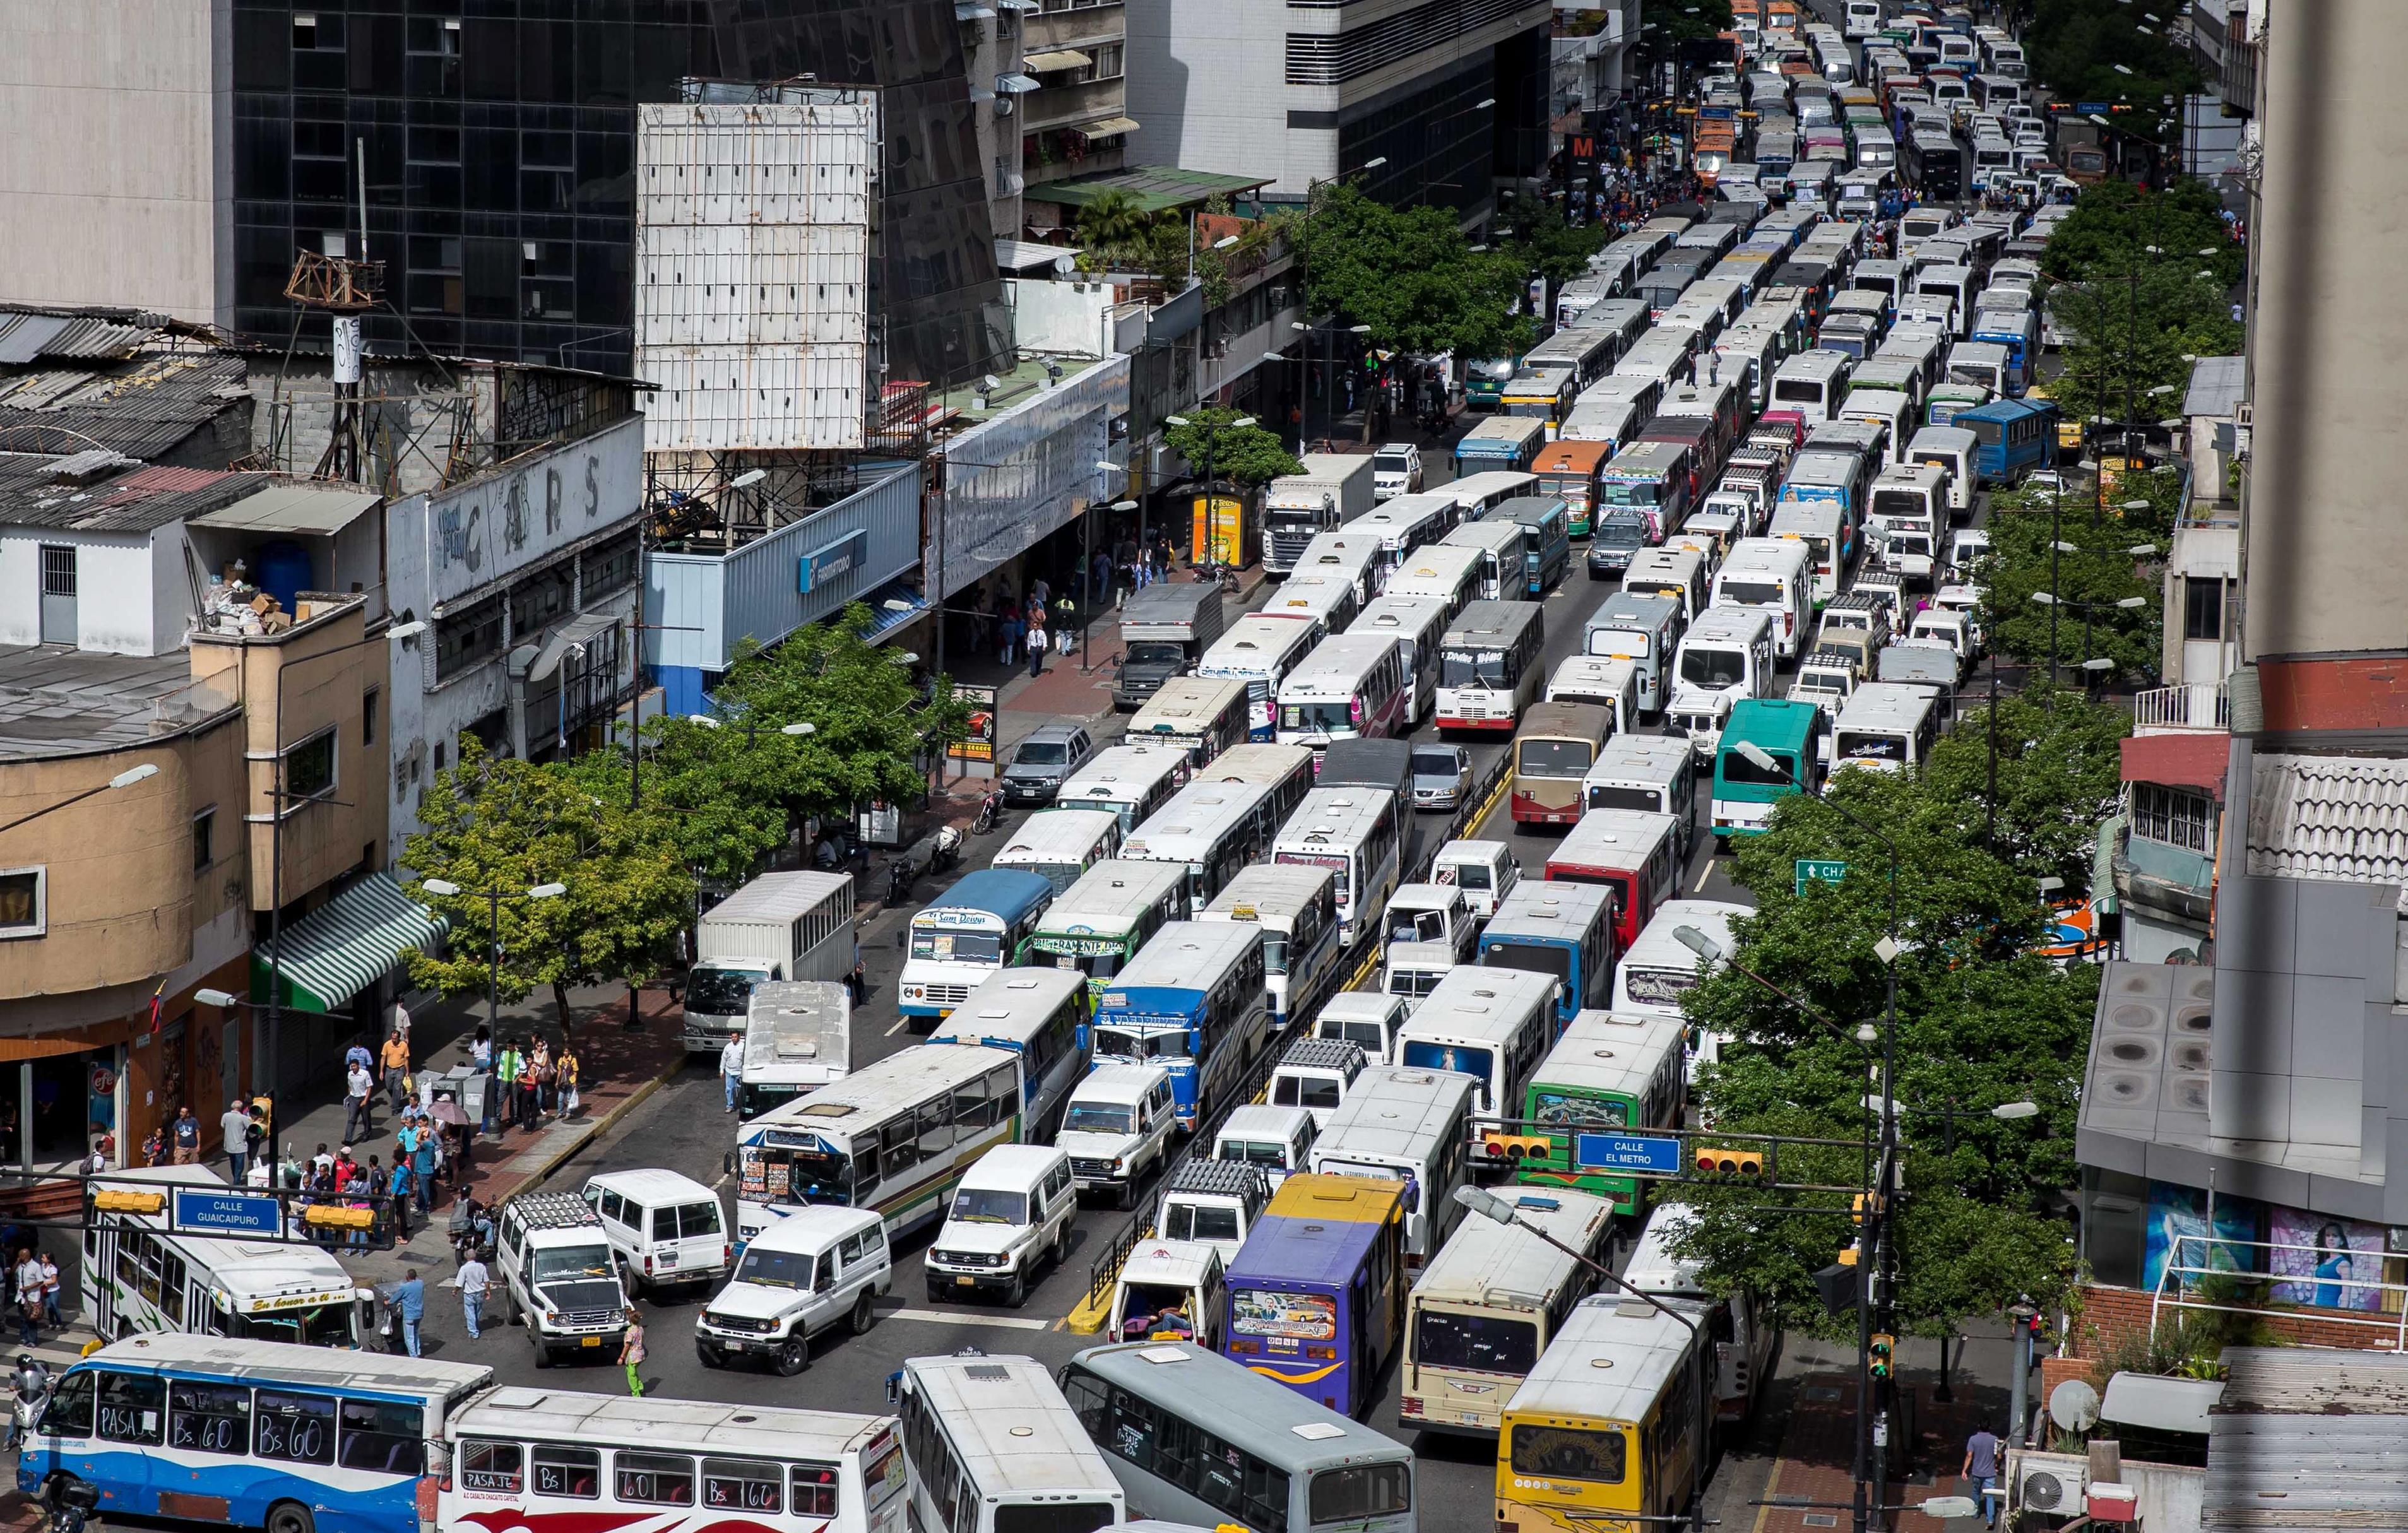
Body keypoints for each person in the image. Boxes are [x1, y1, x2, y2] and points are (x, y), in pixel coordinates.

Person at [1962, 1425, 2003, 1527]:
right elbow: (1999, 1456)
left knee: (1976, 1492)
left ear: (1979, 1426)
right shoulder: (1995, 1439)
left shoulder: (1973, 1439)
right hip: (1990, 1473)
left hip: (1977, 1472)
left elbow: (1969, 1456)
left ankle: (1975, 1513)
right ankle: (1990, 1520)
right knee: (1990, 1496)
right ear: (1989, 1427)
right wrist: (1997, 1465)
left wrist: (1964, 1470)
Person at [458, 1249, 490, 1340]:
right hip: (480, 1292)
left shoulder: (464, 1268)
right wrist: (488, 1291)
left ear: (466, 1257)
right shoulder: (481, 1266)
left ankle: (474, 1332)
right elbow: (487, 1281)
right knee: (478, 1311)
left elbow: (459, 1284)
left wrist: (455, 1291)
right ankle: (476, 1325)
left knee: (470, 1313)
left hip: (469, 1294)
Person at [393, 1269, 425, 1358]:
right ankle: (418, 1351)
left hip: (409, 1316)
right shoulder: (421, 1283)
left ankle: (413, 1356)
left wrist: (388, 1302)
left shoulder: (405, 1287)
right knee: (415, 1333)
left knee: (409, 1337)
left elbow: (395, 1298)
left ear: (407, 1277)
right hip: (419, 1314)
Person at [343, 1055, 375, 1143]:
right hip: (354, 1098)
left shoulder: (365, 1074)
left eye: (354, 1066)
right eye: (352, 1066)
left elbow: (369, 1087)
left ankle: (367, 1133)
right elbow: (350, 1086)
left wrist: (365, 1100)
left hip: (363, 1097)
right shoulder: (350, 1074)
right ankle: (348, 1139)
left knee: (365, 1117)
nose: (353, 1068)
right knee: (351, 1118)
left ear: (358, 1066)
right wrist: (349, 1097)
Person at [220, 1099, 252, 1183]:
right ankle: (236, 1182)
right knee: (239, 1166)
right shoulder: (243, 1118)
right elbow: (250, 1128)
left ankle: (236, 1180)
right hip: (240, 1145)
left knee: (233, 1164)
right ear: (241, 1108)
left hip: (229, 1145)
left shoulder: (225, 1116)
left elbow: (223, 1126)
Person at [11, 1251, 39, 1347]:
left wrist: (28, 1288)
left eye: (20, 1256)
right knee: (23, 1319)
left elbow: (40, 1281)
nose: (18, 1257)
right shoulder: (20, 1266)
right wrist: (18, 1262)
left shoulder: (36, 1266)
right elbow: (12, 1272)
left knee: (31, 1319)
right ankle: (24, 1338)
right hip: (21, 1297)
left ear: (25, 1256)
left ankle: (32, 1340)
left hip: (31, 1297)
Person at [380, 1029, 411, 1115]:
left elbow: (406, 1059)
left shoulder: (404, 1045)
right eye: (392, 1038)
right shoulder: (387, 1045)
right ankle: (395, 1099)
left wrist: (407, 1071)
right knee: (389, 1087)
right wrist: (381, 1071)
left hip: (400, 1069)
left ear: (399, 1038)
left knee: (397, 1088)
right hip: (389, 1069)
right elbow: (383, 1058)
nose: (393, 1040)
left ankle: (395, 1108)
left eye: (395, 1038)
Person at [618, 1308, 646, 1395]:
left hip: (632, 1356)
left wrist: (622, 1357)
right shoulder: (640, 1329)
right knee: (633, 1371)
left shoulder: (630, 1332)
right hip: (640, 1354)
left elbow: (627, 1346)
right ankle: (640, 1386)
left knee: (631, 1375)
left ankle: (636, 1392)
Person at [556, 1043, 581, 1121]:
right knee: (560, 1098)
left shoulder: (573, 1060)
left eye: (566, 1051)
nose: (565, 1053)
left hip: (570, 1081)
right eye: (564, 1051)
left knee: (569, 1098)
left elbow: (575, 1071)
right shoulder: (561, 1060)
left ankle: (569, 1113)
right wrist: (557, 1081)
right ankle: (560, 1112)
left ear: (569, 1052)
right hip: (562, 1082)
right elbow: (559, 1071)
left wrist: (575, 1082)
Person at [721, 1033, 744, 1114]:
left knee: (740, 1089)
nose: (734, 1039)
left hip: (739, 1072)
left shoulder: (743, 1046)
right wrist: (722, 1070)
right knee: (729, 1089)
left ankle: (741, 1105)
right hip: (729, 1071)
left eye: (735, 1037)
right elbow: (724, 1058)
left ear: (739, 1037)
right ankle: (730, 1106)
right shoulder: (728, 1047)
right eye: (732, 1037)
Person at [38, 1253, 59, 1330]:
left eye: (43, 1258)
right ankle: (52, 1323)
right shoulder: (42, 1266)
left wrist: (44, 1283)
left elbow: (54, 1281)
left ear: (49, 1260)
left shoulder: (53, 1268)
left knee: (55, 1307)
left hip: (53, 1290)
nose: (42, 1259)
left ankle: (59, 1323)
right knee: (49, 1307)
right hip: (46, 1290)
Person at [1026, 610, 1048, 678]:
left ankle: (1038, 669)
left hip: (1040, 648)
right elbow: (1029, 641)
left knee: (1039, 661)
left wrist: (1044, 646)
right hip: (1033, 648)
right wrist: (1029, 649)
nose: (1035, 627)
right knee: (1033, 660)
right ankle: (1033, 672)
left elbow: (1044, 639)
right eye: (1034, 626)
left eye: (1036, 626)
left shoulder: (1041, 632)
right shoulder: (1031, 633)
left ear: (1038, 626)